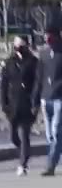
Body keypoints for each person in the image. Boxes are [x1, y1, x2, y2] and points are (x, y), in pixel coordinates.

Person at [0, 35, 39, 176]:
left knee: (25, 134)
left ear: (26, 46)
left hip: (27, 104)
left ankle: (23, 164)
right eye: (16, 44)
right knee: (13, 136)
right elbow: (3, 84)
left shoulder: (33, 62)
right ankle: (24, 150)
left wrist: (35, 103)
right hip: (13, 104)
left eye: (20, 45)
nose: (17, 47)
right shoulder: (9, 62)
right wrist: (4, 103)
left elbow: (37, 83)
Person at [37, 23, 62, 176]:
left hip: (60, 98)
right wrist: (35, 98)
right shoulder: (43, 54)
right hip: (46, 98)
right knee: (49, 134)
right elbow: (39, 77)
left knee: (56, 130)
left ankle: (51, 165)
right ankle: (54, 157)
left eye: (49, 35)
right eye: (45, 35)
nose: (47, 38)